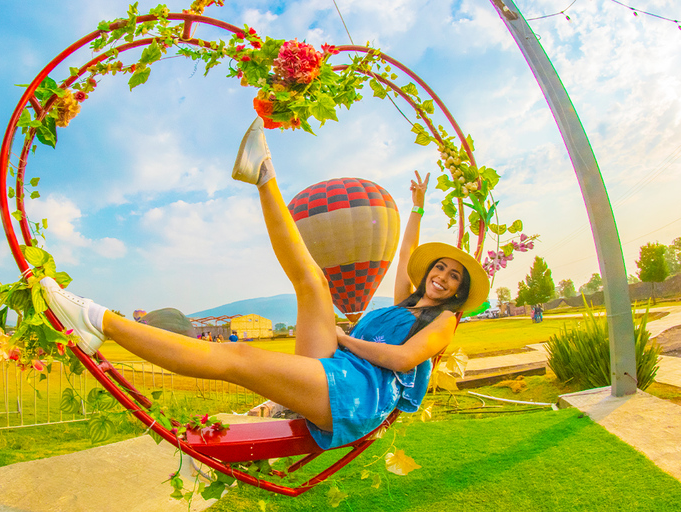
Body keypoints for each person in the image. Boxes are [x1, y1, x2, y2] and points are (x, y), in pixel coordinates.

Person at [41, 117, 489, 450]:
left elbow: (404, 357)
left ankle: (101, 322)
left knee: (238, 355)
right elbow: (406, 260)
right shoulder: (405, 303)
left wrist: (343, 339)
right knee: (314, 281)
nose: (441, 278)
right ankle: (263, 174)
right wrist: (416, 209)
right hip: (338, 369)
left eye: (453, 277)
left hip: (358, 394)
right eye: (439, 268)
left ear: (457, 293)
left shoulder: (445, 320)